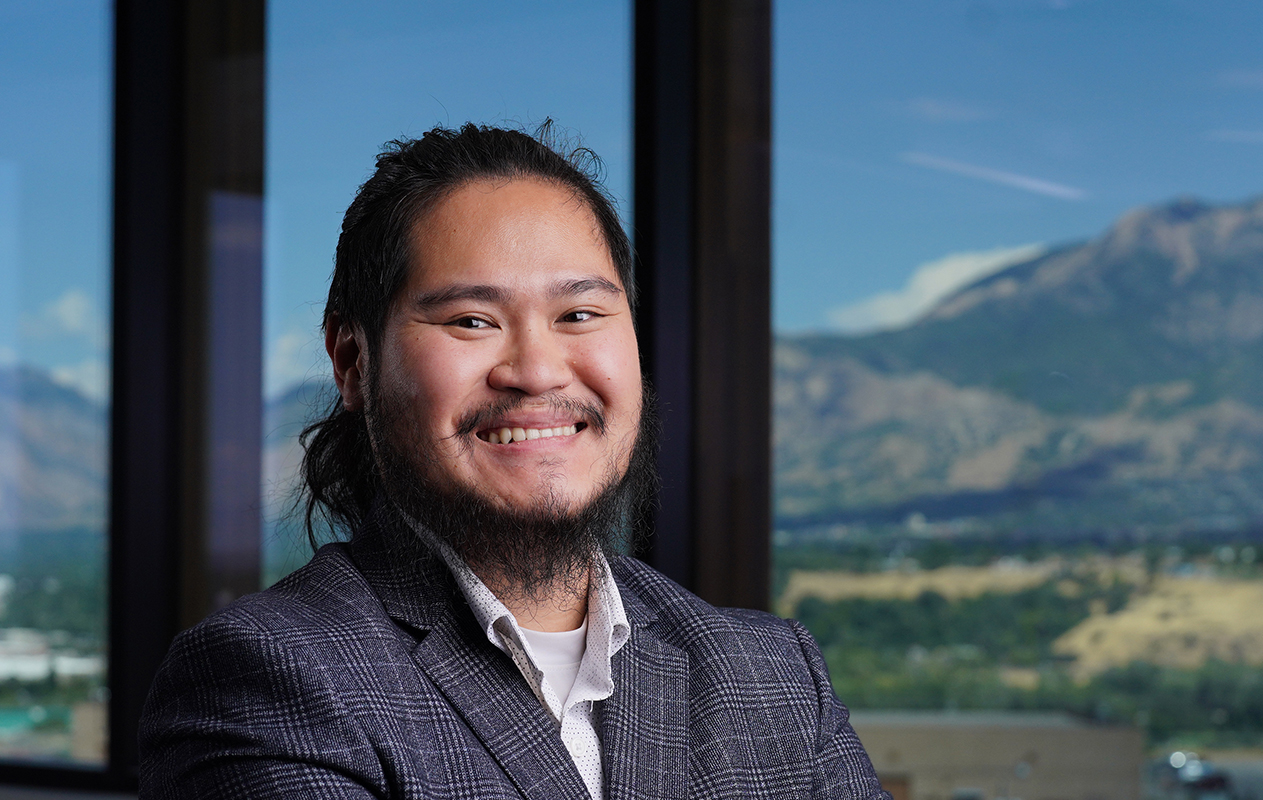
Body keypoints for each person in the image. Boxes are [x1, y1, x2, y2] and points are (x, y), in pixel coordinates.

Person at [139, 122, 889, 799]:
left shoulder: (772, 675)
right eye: (472, 320)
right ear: (353, 364)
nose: (537, 370)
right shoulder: (270, 676)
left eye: (580, 315)